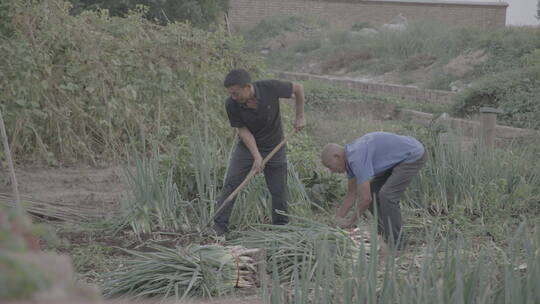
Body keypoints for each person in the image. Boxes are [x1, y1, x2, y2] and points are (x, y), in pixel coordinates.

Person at [212, 69, 305, 236]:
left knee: (278, 190)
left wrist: (300, 116)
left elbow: (298, 88)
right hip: (247, 148)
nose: (233, 97)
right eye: (230, 93)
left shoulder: (270, 87)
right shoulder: (231, 104)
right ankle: (219, 227)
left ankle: (281, 229)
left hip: (275, 145)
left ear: (248, 87)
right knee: (231, 184)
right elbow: (243, 130)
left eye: (236, 93)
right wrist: (256, 156)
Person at [320, 131, 426, 248]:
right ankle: (385, 235)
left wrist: (350, 221)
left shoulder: (356, 158)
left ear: (337, 156)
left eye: (330, 166)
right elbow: (351, 194)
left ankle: (397, 243)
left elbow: (365, 200)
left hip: (412, 154)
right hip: (397, 159)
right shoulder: (350, 160)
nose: (331, 171)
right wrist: (337, 220)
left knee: (387, 195)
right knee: (373, 191)